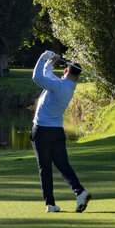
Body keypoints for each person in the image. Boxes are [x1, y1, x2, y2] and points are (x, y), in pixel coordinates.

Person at [30, 50, 93, 213]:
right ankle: (80, 192)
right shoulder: (66, 86)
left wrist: (43, 56)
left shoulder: (58, 85)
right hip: (57, 132)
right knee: (63, 165)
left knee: (45, 168)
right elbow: (47, 75)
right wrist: (50, 63)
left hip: (42, 131)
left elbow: (37, 78)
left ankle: (50, 204)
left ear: (66, 71)